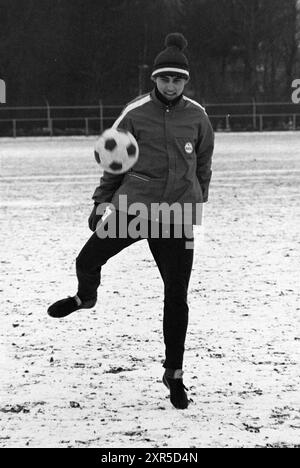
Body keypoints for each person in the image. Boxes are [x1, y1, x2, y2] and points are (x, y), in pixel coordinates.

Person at [48, 33, 214, 410]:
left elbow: (203, 162)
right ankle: (85, 297)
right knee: (86, 261)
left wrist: (198, 199)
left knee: (177, 297)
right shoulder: (135, 113)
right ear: (153, 79)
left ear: (186, 82)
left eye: (178, 79)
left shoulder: (198, 116)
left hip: (177, 215)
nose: (170, 85)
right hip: (135, 209)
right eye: (164, 78)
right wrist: (100, 201)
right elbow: (114, 161)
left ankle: (174, 374)